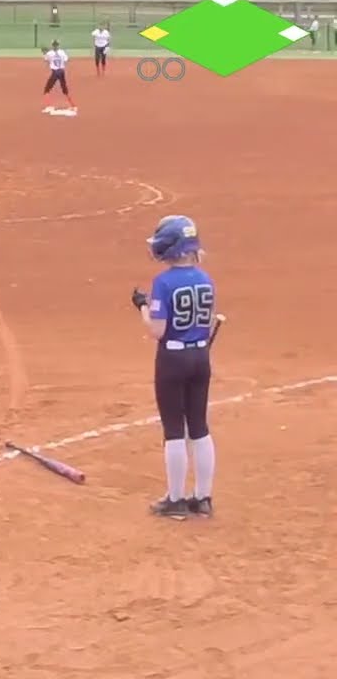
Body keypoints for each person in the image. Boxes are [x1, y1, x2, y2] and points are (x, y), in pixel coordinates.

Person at [130, 215, 216, 520]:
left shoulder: (164, 283)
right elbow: (204, 323)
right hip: (200, 357)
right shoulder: (206, 279)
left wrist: (142, 306)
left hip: (172, 360)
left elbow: (157, 330)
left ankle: (176, 500)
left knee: (174, 430)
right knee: (200, 428)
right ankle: (203, 498)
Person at [40, 40, 76, 114]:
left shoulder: (49, 53)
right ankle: (72, 105)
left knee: (47, 89)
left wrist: (44, 54)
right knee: (64, 89)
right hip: (62, 71)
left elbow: (46, 60)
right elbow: (66, 60)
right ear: (58, 45)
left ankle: (48, 106)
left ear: (52, 45)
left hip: (55, 72)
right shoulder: (62, 52)